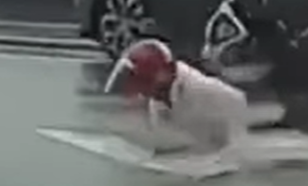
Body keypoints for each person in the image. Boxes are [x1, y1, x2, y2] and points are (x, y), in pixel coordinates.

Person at [104, 38, 250, 155]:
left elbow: (239, 110)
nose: (142, 94)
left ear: (161, 75)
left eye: (142, 84)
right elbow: (166, 143)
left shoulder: (201, 89)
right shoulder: (159, 99)